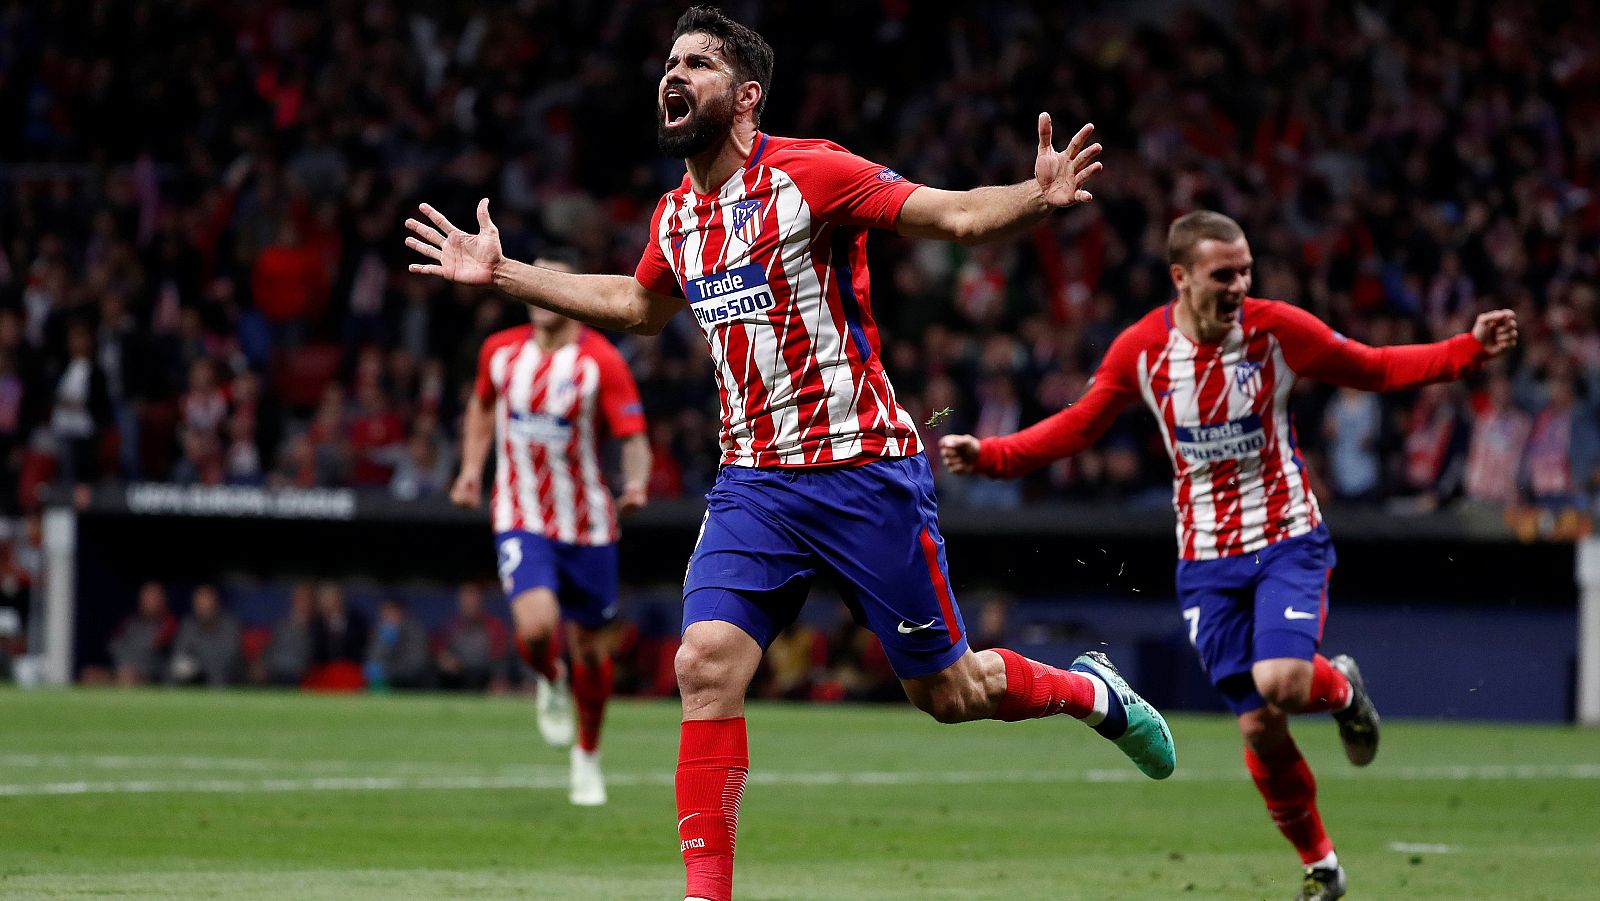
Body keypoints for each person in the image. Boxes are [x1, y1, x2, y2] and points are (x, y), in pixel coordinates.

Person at [407, 8, 1174, 899]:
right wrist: (504, 273)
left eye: (696, 62)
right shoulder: (678, 215)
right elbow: (635, 304)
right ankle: (707, 893)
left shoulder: (813, 173)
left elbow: (954, 216)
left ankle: (1092, 694)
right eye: (669, 60)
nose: (673, 72)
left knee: (950, 692)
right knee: (705, 666)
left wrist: (1032, 198)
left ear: (745, 95)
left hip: (864, 472)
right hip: (754, 485)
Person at [941, 210, 1520, 900]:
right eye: (1225, 272)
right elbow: (1079, 425)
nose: (1241, 283)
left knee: (1279, 681)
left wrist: (1468, 350)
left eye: (1246, 269)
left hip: (1285, 539)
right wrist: (994, 456)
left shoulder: (1277, 330)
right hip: (1206, 561)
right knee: (1258, 723)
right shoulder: (1143, 350)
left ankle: (1338, 687)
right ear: (1182, 277)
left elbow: (1372, 367)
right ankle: (1323, 865)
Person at [450, 252, 651, 807]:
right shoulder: (499, 351)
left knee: (592, 649)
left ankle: (587, 755)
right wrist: (470, 471)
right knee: (537, 628)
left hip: (587, 524)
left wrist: (636, 483)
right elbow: (481, 408)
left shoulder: (601, 362)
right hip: (521, 514)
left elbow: (632, 433)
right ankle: (547, 675)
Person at [169, 584, 243, 687]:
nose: (203, 607)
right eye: (200, 604)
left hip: (226, 682)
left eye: (207, 603)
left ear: (215, 604)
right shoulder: (188, 625)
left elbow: (229, 658)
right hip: (196, 683)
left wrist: (201, 665)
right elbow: (180, 654)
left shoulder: (230, 625)